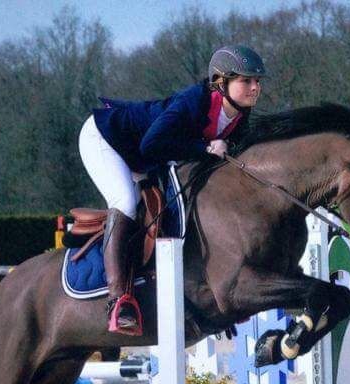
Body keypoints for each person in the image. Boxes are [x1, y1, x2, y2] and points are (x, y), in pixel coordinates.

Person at [78, 45, 266, 335]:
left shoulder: (240, 117)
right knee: (126, 201)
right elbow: (150, 144)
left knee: (161, 211)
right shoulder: (193, 102)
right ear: (221, 81)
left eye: (257, 81)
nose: (255, 87)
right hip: (107, 138)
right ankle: (118, 301)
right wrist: (204, 148)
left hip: (145, 157)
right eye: (246, 80)